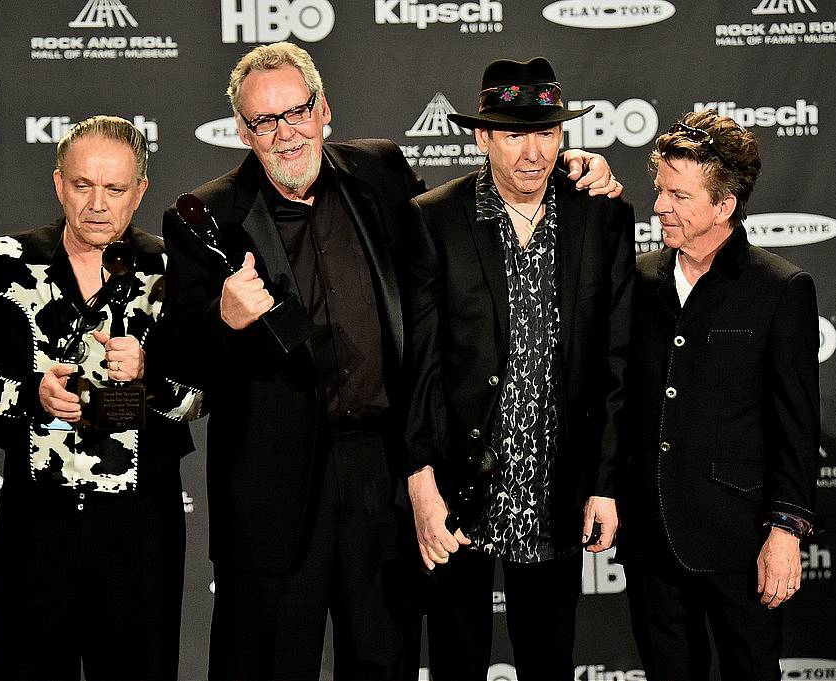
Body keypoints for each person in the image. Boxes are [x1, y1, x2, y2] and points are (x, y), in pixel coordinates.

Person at [159, 42, 621, 681]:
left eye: (296, 112)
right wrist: (225, 321)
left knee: (384, 659)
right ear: (243, 131)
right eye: (264, 122)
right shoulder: (205, 216)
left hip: (380, 466)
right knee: (266, 662)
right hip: (274, 480)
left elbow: (479, 221)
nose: (285, 133)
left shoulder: (382, 173)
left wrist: (571, 167)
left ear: (323, 109)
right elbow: (175, 362)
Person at [0, 115, 203, 681]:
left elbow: (201, 396)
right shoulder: (4, 263)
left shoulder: (173, 271)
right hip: (38, 520)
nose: (97, 204)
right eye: (83, 185)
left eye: (114, 189)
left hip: (139, 522)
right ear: (59, 183)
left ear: (140, 192)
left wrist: (148, 374)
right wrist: (28, 396)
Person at [404, 57, 635, 680]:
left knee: (549, 661)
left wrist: (606, 482)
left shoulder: (603, 214)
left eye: (548, 133)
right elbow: (418, 364)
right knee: (456, 661)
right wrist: (421, 479)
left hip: (557, 486)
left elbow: (617, 363)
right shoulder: (434, 218)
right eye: (513, 134)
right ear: (481, 137)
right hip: (461, 487)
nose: (533, 152)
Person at [618, 109, 819, 681]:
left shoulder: (779, 289)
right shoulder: (638, 279)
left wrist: (785, 530)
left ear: (724, 205)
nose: (660, 206)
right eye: (661, 191)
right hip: (652, 534)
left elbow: (796, 425)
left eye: (679, 196)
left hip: (740, 537)